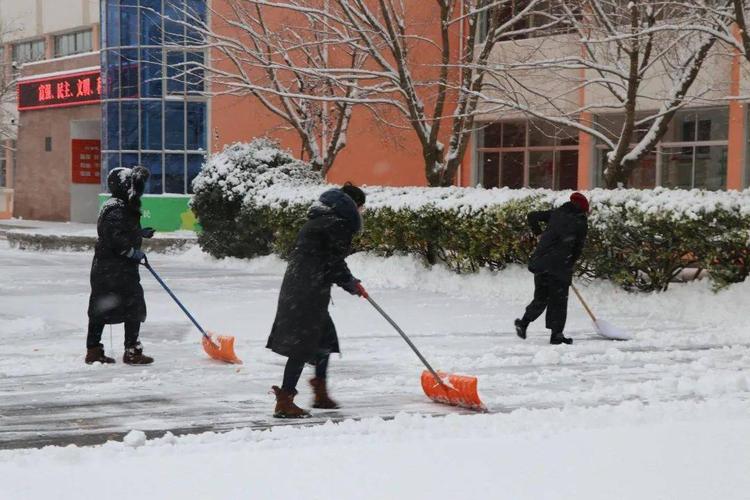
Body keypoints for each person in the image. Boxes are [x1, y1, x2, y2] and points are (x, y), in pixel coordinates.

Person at [266, 183, 367, 418]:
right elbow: (333, 261)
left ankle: (320, 391)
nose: (361, 214)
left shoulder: (321, 219)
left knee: (325, 339)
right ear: (352, 206)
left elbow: (326, 258)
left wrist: (349, 281)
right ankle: (285, 400)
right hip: (308, 290)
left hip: (301, 286)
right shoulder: (337, 224)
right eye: (361, 208)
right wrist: (351, 283)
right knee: (302, 345)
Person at [85, 166, 155, 365]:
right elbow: (115, 239)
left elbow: (121, 231)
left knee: (121, 307)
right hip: (113, 270)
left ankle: (101, 350)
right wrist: (133, 252)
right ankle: (124, 351)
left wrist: (140, 234)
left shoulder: (120, 205)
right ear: (124, 186)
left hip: (115, 269)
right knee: (116, 307)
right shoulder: (116, 208)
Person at [515, 192, 589, 345]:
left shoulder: (557, 213)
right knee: (559, 301)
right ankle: (557, 335)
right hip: (559, 265)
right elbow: (578, 248)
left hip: (541, 262)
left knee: (541, 298)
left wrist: (538, 234)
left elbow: (532, 216)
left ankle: (523, 323)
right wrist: (570, 263)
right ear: (583, 208)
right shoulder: (580, 221)